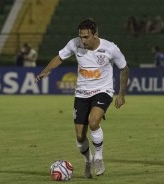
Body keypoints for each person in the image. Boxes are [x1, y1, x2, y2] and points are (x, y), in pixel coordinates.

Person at [35, 18, 129, 178]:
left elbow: (124, 68)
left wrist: (121, 94)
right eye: (80, 36)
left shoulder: (110, 48)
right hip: (81, 94)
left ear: (95, 34)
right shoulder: (74, 44)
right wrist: (46, 69)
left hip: (103, 91)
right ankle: (88, 160)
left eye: (86, 37)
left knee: (94, 122)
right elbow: (60, 57)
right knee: (80, 136)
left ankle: (98, 158)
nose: (82, 40)